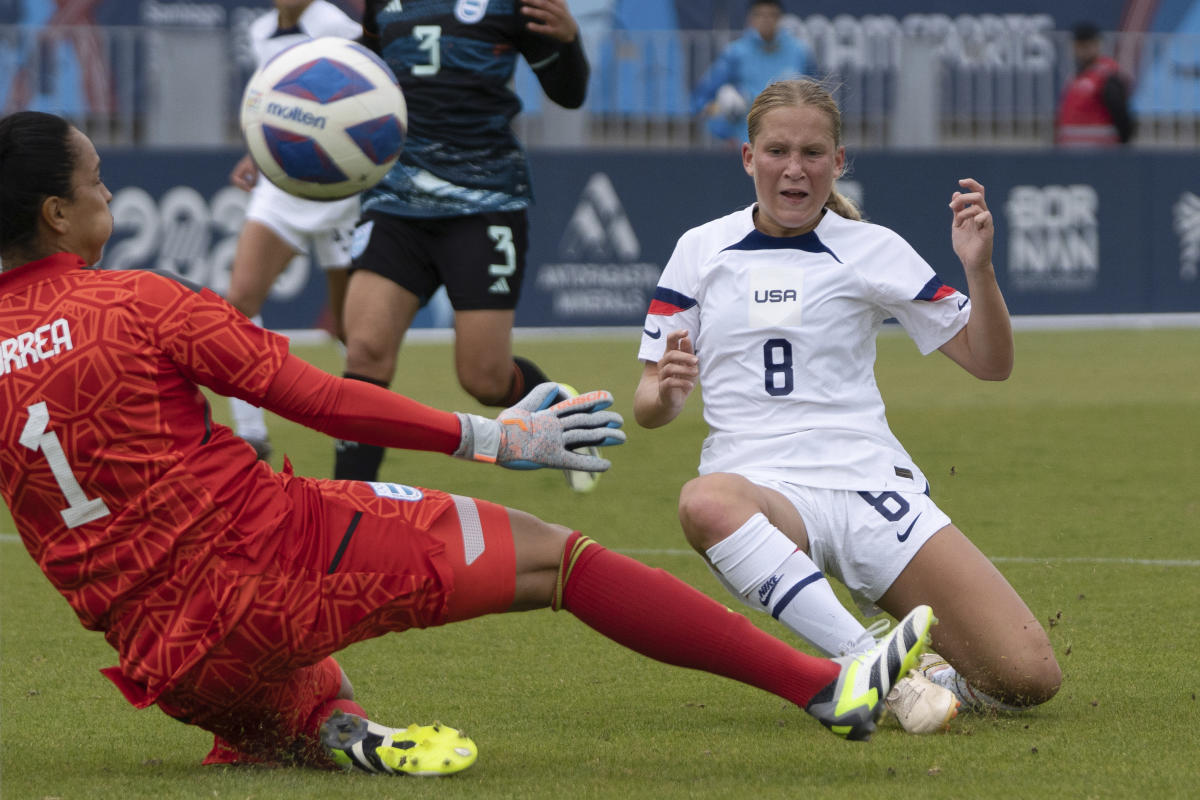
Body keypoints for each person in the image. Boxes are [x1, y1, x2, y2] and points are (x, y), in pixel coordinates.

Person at [0, 109, 936, 774]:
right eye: (95, 181)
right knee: (559, 562)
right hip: (279, 556)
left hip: (167, 659)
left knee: (295, 686)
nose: (108, 193)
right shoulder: (137, 302)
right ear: (55, 213)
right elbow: (323, 399)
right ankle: (824, 687)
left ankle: (336, 732)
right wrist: (496, 436)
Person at [634, 79, 1062, 735]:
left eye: (812, 152)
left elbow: (990, 363)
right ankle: (870, 664)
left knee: (1028, 678)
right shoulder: (701, 249)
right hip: (763, 488)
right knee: (705, 501)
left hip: (868, 486)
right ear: (748, 158)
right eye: (777, 150)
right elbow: (648, 406)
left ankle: (933, 676)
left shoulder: (871, 247)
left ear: (838, 162)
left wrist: (980, 269)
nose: (794, 168)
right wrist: (664, 391)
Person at [333, 0, 599, 492]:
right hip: (394, 203)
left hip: (483, 205)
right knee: (365, 350)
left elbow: (569, 94)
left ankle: (561, 410)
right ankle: (349, 508)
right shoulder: (381, 5)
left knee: (484, 380)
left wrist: (568, 41)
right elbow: (361, 75)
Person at [224, 0, 363, 461]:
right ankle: (251, 434)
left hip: (338, 184)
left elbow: (366, 97)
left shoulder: (335, 25)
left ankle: (357, 427)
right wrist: (257, 149)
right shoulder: (262, 30)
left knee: (348, 328)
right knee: (240, 301)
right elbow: (277, 105)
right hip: (282, 180)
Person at [689, 0, 813, 144]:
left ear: (780, 18)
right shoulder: (735, 53)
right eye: (760, 15)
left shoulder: (800, 52)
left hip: (791, 140)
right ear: (750, 19)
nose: (766, 20)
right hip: (748, 141)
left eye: (772, 15)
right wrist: (722, 108)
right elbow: (701, 99)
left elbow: (815, 95)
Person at [1055, 21, 1135, 147]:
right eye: (1079, 45)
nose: (1082, 50)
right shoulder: (1075, 77)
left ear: (1097, 45)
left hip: (1098, 152)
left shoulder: (1107, 76)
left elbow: (1121, 115)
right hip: (1073, 152)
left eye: (1087, 45)